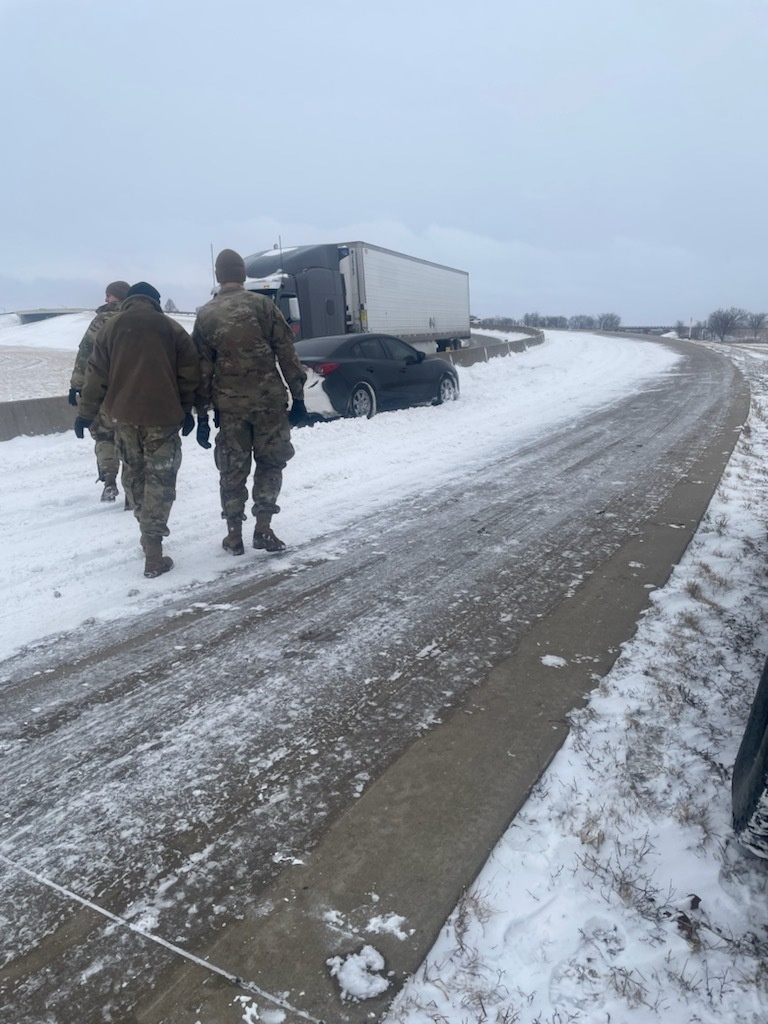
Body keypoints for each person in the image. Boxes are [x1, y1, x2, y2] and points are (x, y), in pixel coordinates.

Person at [75, 282, 201, 579]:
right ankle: (154, 552)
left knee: (135, 478)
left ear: (129, 301)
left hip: (124, 419)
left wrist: (85, 414)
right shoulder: (172, 328)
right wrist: (188, 409)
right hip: (164, 418)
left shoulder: (110, 327)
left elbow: (95, 375)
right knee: (160, 481)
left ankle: (147, 541)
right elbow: (190, 373)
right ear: (156, 302)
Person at [192, 248, 307, 555]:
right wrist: (298, 397)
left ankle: (234, 535)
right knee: (270, 465)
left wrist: (202, 415)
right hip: (269, 404)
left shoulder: (206, 314)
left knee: (232, 471)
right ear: (242, 275)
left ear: (219, 276)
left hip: (230, 410)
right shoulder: (263, 306)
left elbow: (201, 369)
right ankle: (264, 528)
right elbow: (287, 352)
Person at [68, 280, 131, 502]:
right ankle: (132, 491)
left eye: (110, 295)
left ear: (117, 297)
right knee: (130, 439)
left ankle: (110, 481)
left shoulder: (101, 321)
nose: (106, 299)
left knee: (105, 436)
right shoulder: (135, 320)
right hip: (130, 391)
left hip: (102, 390)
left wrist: (76, 385)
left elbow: (85, 355)